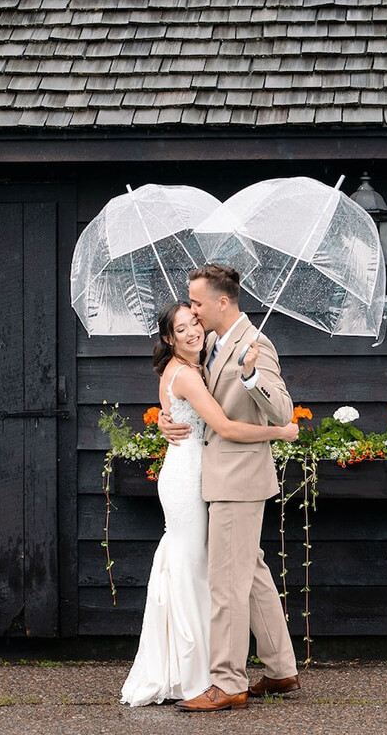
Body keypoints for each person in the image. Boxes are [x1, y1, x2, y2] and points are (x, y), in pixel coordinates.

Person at [120, 301, 298, 708]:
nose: (192, 329)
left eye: (195, 319)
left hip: (210, 475)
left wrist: (166, 414)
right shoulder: (185, 372)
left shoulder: (229, 347)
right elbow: (222, 425)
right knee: (200, 568)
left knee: (243, 563)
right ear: (168, 338)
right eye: (181, 328)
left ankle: (279, 667)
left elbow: (191, 405)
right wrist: (280, 432)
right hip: (192, 479)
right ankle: (199, 673)